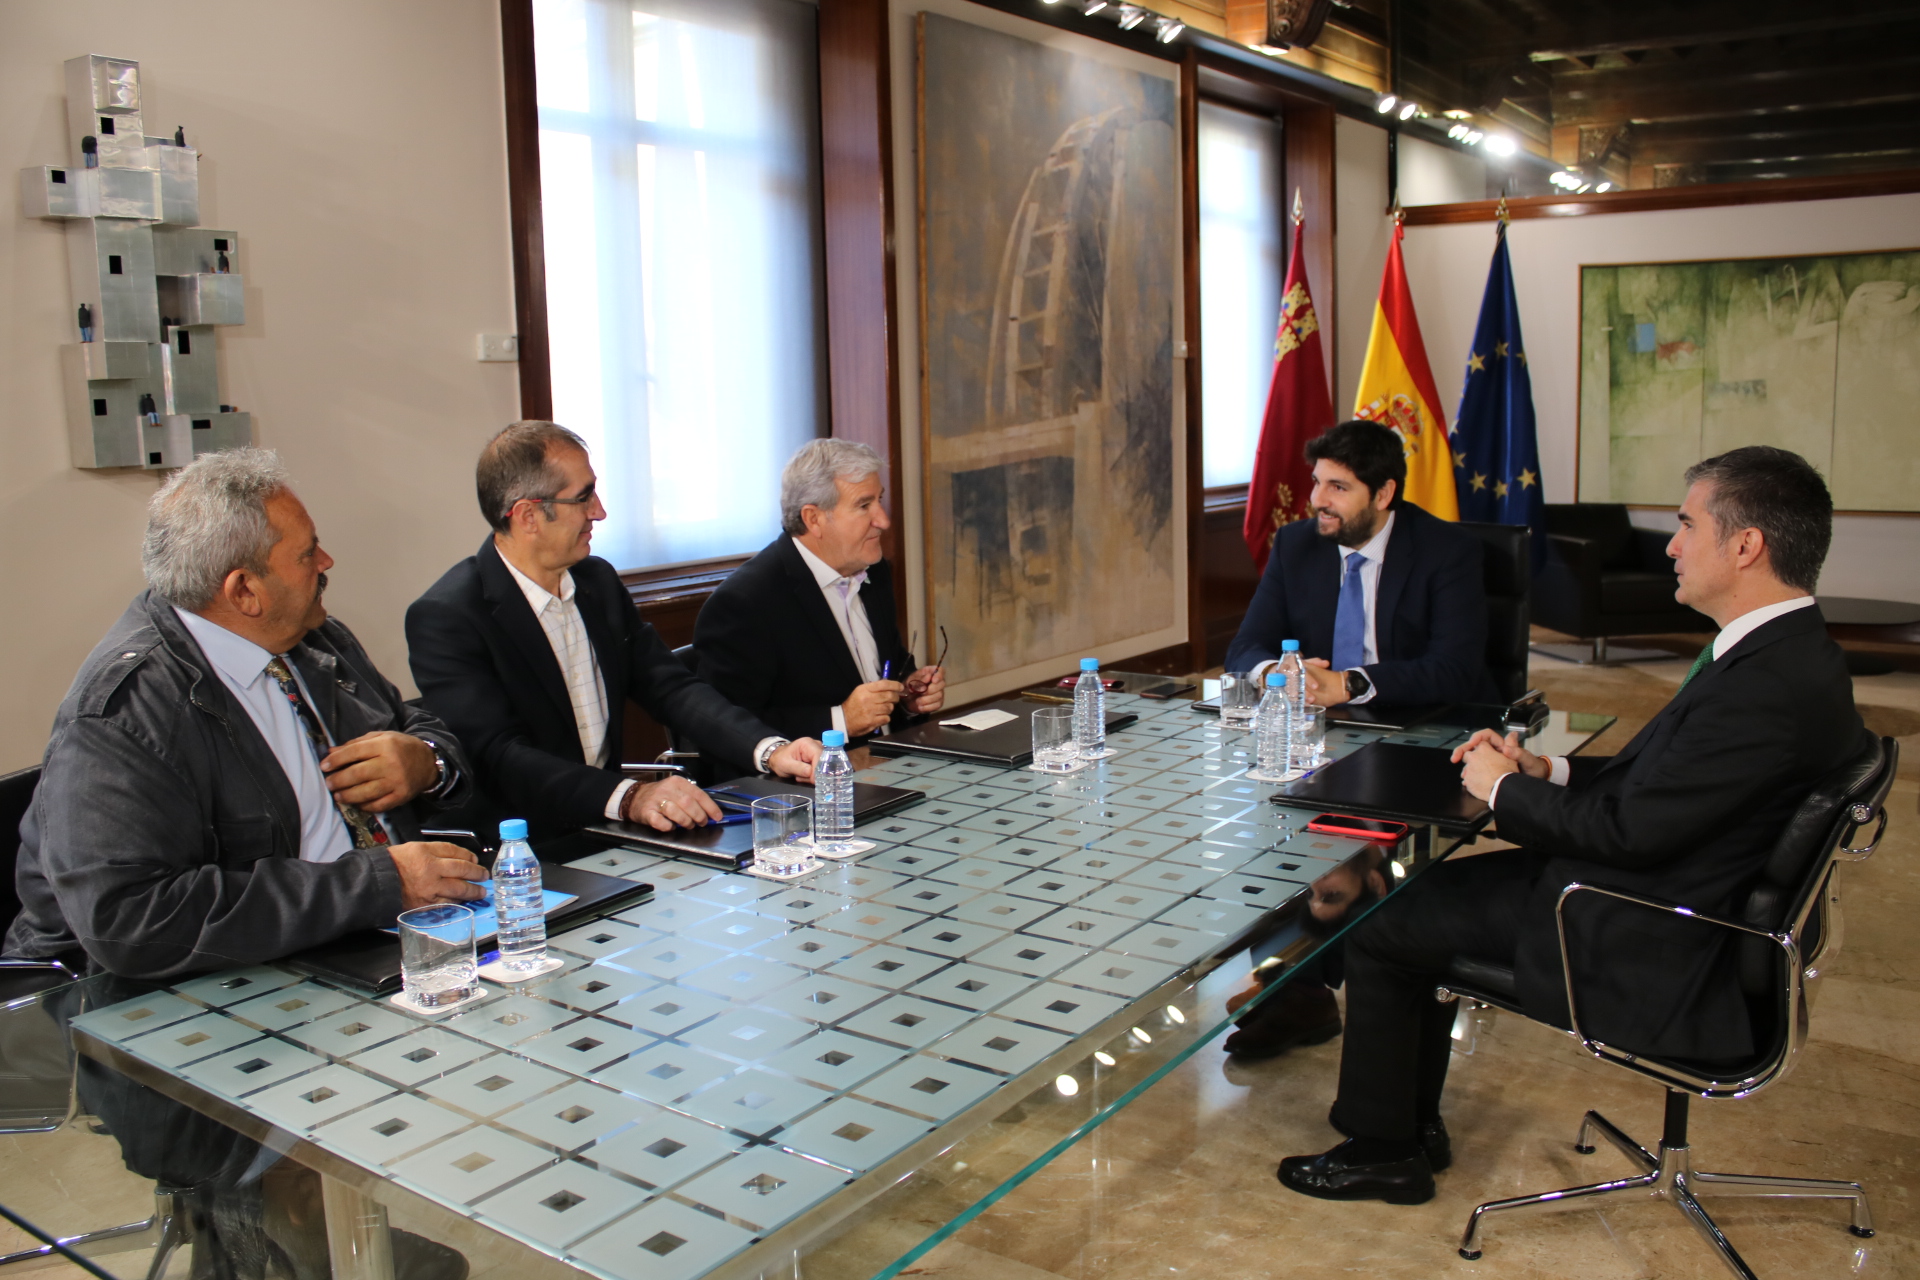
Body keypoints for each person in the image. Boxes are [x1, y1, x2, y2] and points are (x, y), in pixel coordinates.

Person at [1276, 445, 1864, 1206]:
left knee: (1387, 919)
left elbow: (1629, 834)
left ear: (1747, 545)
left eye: (1687, 525)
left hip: (1647, 923)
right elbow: (1668, 785)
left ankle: (1383, 1148)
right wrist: (1544, 771)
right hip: (1677, 886)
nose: (1674, 546)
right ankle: (1410, 1128)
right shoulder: (1784, 654)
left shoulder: (1764, 687)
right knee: (1412, 902)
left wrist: (1498, 792)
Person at [5, 450, 486, 979]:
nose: (326, 562)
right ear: (244, 591)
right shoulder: (122, 714)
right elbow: (131, 922)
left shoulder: (314, 637)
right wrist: (377, 884)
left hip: (376, 946)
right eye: (307, 554)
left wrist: (426, 761)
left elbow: (422, 729)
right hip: (192, 995)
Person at [1222, 419, 1495, 1059]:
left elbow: (1458, 668)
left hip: (1415, 735)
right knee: (1267, 833)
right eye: (1317, 482)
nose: (1319, 499)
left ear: (1384, 494)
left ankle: (1325, 984)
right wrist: (1279, 672)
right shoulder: (1298, 546)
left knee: (1345, 847)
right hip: (1314, 736)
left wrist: (1351, 684)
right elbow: (1244, 650)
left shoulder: (1445, 550)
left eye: (1338, 487)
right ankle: (1295, 992)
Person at [406, 421, 821, 839]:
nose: (599, 511)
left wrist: (772, 750)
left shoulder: (596, 581)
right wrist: (629, 797)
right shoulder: (448, 616)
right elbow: (499, 756)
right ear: (528, 515)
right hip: (522, 851)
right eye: (583, 497)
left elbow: (669, 686)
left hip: (608, 829)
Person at [691, 439, 945, 776]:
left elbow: (889, 666)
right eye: (864, 505)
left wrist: (909, 696)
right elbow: (726, 730)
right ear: (813, 518)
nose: (882, 519)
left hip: (896, 767)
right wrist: (840, 720)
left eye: (879, 500)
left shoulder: (874, 569)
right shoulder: (745, 603)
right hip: (807, 792)